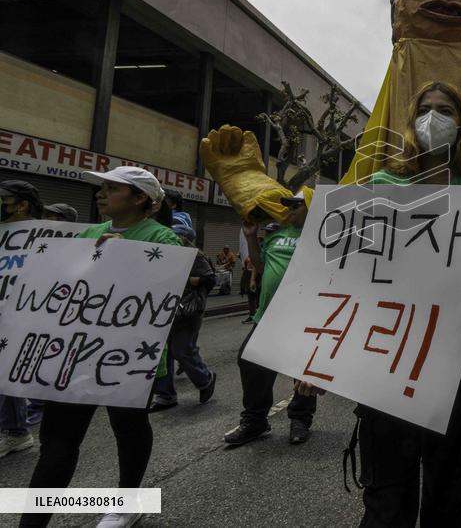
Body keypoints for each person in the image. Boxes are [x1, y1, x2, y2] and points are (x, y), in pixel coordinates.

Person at [351, 81, 461, 527]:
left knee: (448, 489)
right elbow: (353, 271)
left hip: (455, 360)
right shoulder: (382, 184)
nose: (433, 118)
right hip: (389, 354)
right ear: (411, 120)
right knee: (386, 498)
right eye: (425, 109)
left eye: (445, 110)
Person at [19, 166, 181, 528]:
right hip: (75, 355)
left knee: (128, 428)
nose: (100, 193)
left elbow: (166, 293)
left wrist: (129, 258)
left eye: (111, 188)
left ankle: (127, 502)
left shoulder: (164, 239)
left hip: (129, 358)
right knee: (57, 441)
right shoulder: (88, 233)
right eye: (101, 187)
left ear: (140, 198)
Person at [224, 192, 320, 447]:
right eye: (287, 205)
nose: (290, 209)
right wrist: (250, 237)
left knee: (303, 369)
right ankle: (255, 421)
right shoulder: (277, 235)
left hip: (305, 317)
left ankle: (300, 419)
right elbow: (261, 265)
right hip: (268, 316)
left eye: (296, 205)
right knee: (251, 362)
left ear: (312, 206)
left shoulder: (322, 236)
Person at [148, 224, 217, 411]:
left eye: (175, 236)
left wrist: (184, 278)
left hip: (188, 310)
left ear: (184, 238)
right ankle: (165, 395)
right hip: (163, 307)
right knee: (162, 353)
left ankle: (205, 379)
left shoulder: (195, 256)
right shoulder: (162, 253)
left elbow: (210, 280)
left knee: (181, 350)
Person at [0, 180, 44, 459]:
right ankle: (16, 430)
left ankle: (16, 432)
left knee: (5, 370)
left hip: (21, 312)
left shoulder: (47, 234)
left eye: (3, 199)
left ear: (21, 204)